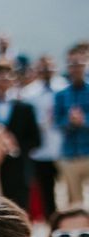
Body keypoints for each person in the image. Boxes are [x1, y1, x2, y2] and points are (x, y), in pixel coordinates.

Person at [0, 59, 41, 211]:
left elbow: (35, 140)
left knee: (21, 209)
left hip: (20, 168)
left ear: (13, 79)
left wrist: (15, 146)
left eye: (6, 77)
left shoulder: (26, 107)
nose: (2, 82)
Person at [21, 55, 68, 219]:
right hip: (40, 152)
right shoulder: (29, 93)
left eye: (49, 67)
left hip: (64, 149)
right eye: (43, 68)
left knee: (68, 190)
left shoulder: (65, 88)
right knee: (47, 192)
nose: (47, 71)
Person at [55, 45, 89, 206]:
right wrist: (69, 121)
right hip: (70, 154)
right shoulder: (61, 95)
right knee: (75, 202)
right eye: (72, 64)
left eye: (80, 64)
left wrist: (83, 121)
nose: (76, 68)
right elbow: (57, 122)